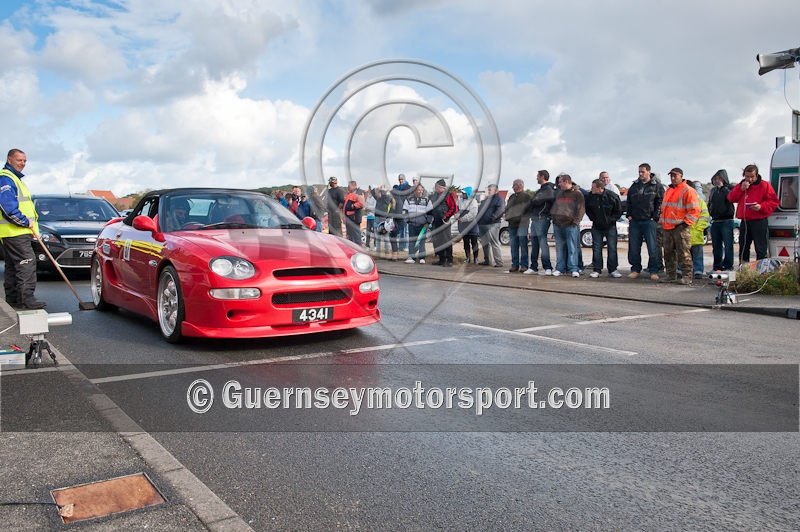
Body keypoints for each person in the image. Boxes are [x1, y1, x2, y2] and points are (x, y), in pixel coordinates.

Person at [0, 148, 46, 309]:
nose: (23, 163)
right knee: (27, 263)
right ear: (9, 159)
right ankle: (26, 299)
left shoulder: (14, 179)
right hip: (16, 231)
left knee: (13, 265)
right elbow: (7, 207)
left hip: (13, 232)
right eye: (19, 160)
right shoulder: (6, 179)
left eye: (25, 161)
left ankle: (13, 298)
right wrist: (24, 221)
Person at [727, 164, 779, 264]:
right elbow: (731, 198)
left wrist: (761, 206)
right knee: (743, 248)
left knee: (760, 248)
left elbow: (774, 202)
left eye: (752, 177)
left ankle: (761, 270)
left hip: (759, 221)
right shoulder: (741, 185)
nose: (749, 179)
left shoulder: (764, 185)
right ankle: (744, 270)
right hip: (745, 221)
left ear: (756, 175)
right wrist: (741, 189)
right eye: (747, 176)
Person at [659, 168, 700, 285]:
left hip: (680, 227)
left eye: (675, 176)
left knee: (683, 252)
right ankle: (671, 275)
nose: (673, 178)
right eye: (671, 176)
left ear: (681, 176)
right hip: (667, 227)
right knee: (668, 253)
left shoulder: (688, 190)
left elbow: (695, 210)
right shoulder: (668, 191)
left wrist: (686, 224)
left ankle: (687, 276)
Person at [626, 163, 664, 281]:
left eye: (642, 172)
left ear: (648, 171)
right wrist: (629, 215)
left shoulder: (657, 186)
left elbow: (660, 202)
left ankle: (654, 270)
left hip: (649, 221)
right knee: (634, 247)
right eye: (639, 172)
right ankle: (635, 269)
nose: (640, 174)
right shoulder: (634, 186)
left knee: (653, 247)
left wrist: (655, 217)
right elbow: (629, 202)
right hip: (635, 221)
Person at [584, 178, 622, 278]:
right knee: (596, 247)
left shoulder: (612, 196)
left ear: (600, 188)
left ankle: (613, 269)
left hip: (610, 226)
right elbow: (588, 209)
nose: (591, 189)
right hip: (596, 226)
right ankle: (597, 269)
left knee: (612, 247)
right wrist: (594, 219)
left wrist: (610, 220)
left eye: (593, 187)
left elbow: (618, 211)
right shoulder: (591, 197)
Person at [550, 174, 585, 277]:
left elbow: (581, 209)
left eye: (560, 182)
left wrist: (575, 222)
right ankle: (560, 268)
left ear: (566, 181)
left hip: (571, 225)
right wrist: (554, 219)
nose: (559, 184)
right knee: (560, 248)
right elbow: (555, 207)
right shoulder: (559, 193)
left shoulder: (577, 194)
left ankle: (573, 268)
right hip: (558, 225)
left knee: (572, 247)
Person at [525, 170, 556, 275]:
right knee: (534, 244)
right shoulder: (541, 190)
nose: (536, 178)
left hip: (542, 218)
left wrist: (534, 201)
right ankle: (533, 266)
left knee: (543, 244)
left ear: (542, 176)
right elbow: (533, 201)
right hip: (535, 219)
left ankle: (548, 267)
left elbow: (536, 201)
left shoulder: (548, 189)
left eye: (538, 176)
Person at [707, 169, 735, 271]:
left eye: (720, 178)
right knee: (716, 246)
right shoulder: (713, 190)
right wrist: (710, 211)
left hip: (727, 220)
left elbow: (731, 198)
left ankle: (728, 266)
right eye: (716, 178)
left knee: (728, 245)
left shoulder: (729, 189)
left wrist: (723, 188)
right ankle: (717, 266)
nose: (717, 180)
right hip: (715, 221)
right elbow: (710, 203)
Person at [504, 179, 531, 273]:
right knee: (513, 246)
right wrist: (507, 217)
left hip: (522, 225)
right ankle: (514, 264)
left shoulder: (527, 197)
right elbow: (507, 209)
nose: (512, 187)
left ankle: (524, 265)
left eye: (514, 185)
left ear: (519, 186)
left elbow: (528, 211)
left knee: (523, 245)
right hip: (512, 225)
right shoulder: (511, 197)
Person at [429, 180, 458, 266]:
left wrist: (446, 216)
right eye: (435, 186)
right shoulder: (435, 196)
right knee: (438, 241)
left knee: (446, 240)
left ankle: (449, 260)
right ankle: (441, 259)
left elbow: (454, 208)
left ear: (442, 187)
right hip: (436, 220)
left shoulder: (448, 195)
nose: (435, 188)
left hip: (444, 221)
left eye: (437, 186)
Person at [477, 183, 505, 267]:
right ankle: (487, 260)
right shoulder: (486, 200)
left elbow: (501, 209)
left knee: (494, 243)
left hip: (492, 224)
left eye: (490, 190)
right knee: (485, 243)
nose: (488, 191)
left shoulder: (499, 199)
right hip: (482, 224)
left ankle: (499, 262)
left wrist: (493, 217)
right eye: (488, 190)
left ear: (496, 190)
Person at [403, 185, 432, 263]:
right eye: (418, 190)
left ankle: (422, 258)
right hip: (411, 224)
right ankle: (411, 257)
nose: (420, 191)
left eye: (421, 190)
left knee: (421, 242)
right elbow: (404, 211)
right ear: (414, 191)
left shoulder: (426, 200)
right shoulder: (408, 199)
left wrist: (428, 222)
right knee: (411, 242)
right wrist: (407, 220)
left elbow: (430, 212)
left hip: (423, 225)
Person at [687, 180, 710, 279]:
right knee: (683, 255)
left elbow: (704, 216)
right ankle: (682, 270)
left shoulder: (699, 201)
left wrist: (698, 228)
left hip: (696, 234)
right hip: (686, 233)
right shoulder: (682, 201)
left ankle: (698, 271)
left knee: (697, 254)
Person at [456, 187, 479, 263]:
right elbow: (458, 211)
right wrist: (457, 216)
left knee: (474, 242)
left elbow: (473, 214)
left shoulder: (473, 202)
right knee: (466, 243)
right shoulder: (460, 201)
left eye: (464, 193)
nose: (463, 194)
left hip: (472, 225)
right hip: (463, 226)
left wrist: (462, 219)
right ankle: (468, 257)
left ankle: (475, 258)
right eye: (462, 193)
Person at [371, 186, 395, 257]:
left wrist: (381, 189)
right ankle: (378, 254)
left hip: (384, 219)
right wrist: (378, 189)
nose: (376, 194)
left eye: (377, 193)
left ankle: (387, 252)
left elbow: (386, 196)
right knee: (378, 238)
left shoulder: (386, 198)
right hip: (377, 219)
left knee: (386, 238)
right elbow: (373, 192)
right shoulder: (378, 198)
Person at [391, 174, 413, 252]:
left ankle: (406, 246)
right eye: (400, 179)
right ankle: (401, 246)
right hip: (399, 210)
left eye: (402, 179)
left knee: (406, 230)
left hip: (406, 210)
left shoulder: (408, 188)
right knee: (401, 230)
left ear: (404, 179)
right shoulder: (398, 188)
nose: (401, 181)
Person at [343, 180, 365, 246]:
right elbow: (345, 206)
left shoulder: (358, 192)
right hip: (348, 217)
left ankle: (358, 249)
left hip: (354, 218)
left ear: (354, 185)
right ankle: (351, 249)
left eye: (349, 186)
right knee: (350, 236)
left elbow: (361, 203)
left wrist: (353, 206)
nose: (348, 187)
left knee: (356, 235)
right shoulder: (349, 194)